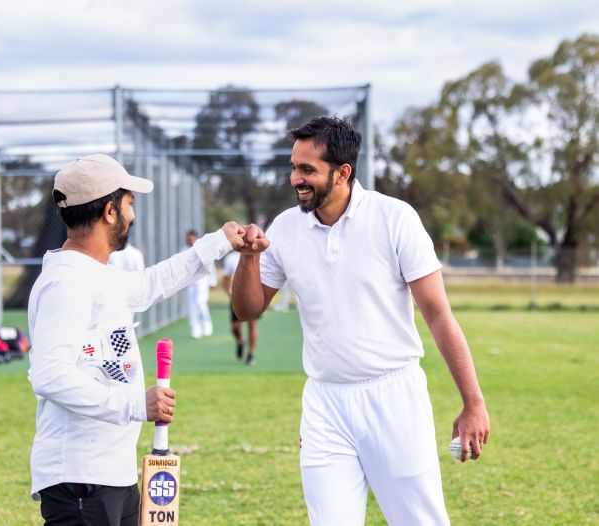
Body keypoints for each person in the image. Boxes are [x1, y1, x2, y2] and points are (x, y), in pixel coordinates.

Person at [231, 116, 490, 525]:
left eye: (307, 170)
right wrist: (249, 258)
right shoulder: (284, 228)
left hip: (394, 397)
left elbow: (439, 316)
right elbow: (248, 310)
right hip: (325, 403)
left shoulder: (395, 218)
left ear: (343, 173)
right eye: (293, 167)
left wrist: (473, 402)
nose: (295, 179)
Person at [27, 154, 246, 526]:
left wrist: (219, 242)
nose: (133, 214)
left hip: (111, 475)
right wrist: (134, 404)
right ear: (110, 211)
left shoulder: (95, 274)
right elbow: (49, 375)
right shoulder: (67, 282)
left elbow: (152, 283)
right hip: (82, 480)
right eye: (130, 203)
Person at [221, 250, 258, 365]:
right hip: (236, 297)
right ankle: (241, 341)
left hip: (252, 296)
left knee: (252, 325)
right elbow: (225, 278)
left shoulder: (256, 256)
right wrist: (229, 293)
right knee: (235, 328)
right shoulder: (231, 258)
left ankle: (251, 354)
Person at [182, 229, 217, 339]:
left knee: (201, 303)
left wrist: (212, 281)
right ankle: (195, 328)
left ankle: (207, 324)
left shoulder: (203, 249)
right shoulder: (182, 251)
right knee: (192, 306)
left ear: (196, 239)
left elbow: (210, 265)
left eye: (192, 239)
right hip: (189, 281)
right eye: (188, 239)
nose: (190, 241)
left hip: (202, 281)